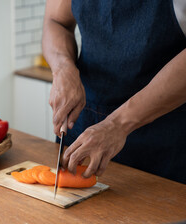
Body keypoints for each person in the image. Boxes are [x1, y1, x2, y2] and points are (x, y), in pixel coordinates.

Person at [42, 0, 186, 184]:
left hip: (167, 138)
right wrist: (63, 68)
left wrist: (118, 124)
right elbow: (56, 21)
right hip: (85, 122)